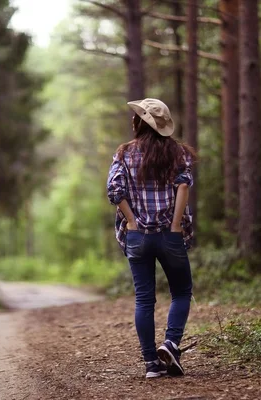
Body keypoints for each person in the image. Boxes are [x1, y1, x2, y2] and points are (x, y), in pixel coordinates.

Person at [106, 98, 196, 379]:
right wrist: (175, 225)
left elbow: (114, 190)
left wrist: (132, 221)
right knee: (181, 292)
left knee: (144, 299)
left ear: (139, 123)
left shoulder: (124, 154)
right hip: (169, 234)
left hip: (138, 236)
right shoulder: (179, 153)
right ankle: (170, 343)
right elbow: (183, 186)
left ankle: (151, 365)